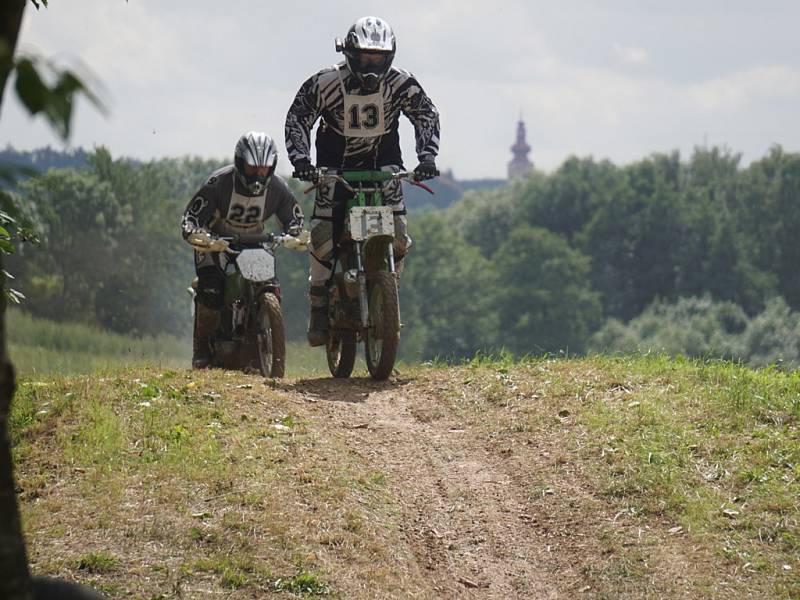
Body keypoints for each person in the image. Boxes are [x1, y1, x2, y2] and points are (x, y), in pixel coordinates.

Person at [285, 15, 440, 347]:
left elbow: (425, 113)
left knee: (399, 236)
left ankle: (389, 294)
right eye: (365, 57)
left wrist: (427, 157)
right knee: (323, 236)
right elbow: (299, 115)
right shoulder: (326, 82)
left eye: (379, 58)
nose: (371, 65)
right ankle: (318, 302)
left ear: (390, 57)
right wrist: (302, 161)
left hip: (385, 168)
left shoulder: (401, 83)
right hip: (333, 169)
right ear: (350, 53)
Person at [181, 131, 304, 369]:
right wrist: (196, 233)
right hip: (215, 241)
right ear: (239, 163)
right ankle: (202, 348)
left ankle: (259, 337)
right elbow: (191, 216)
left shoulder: (278, 188)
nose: (258, 175)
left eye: (264, 169)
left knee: (270, 285)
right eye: (251, 168)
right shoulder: (219, 183)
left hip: (255, 240)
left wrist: (295, 233)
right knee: (211, 290)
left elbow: (293, 217)